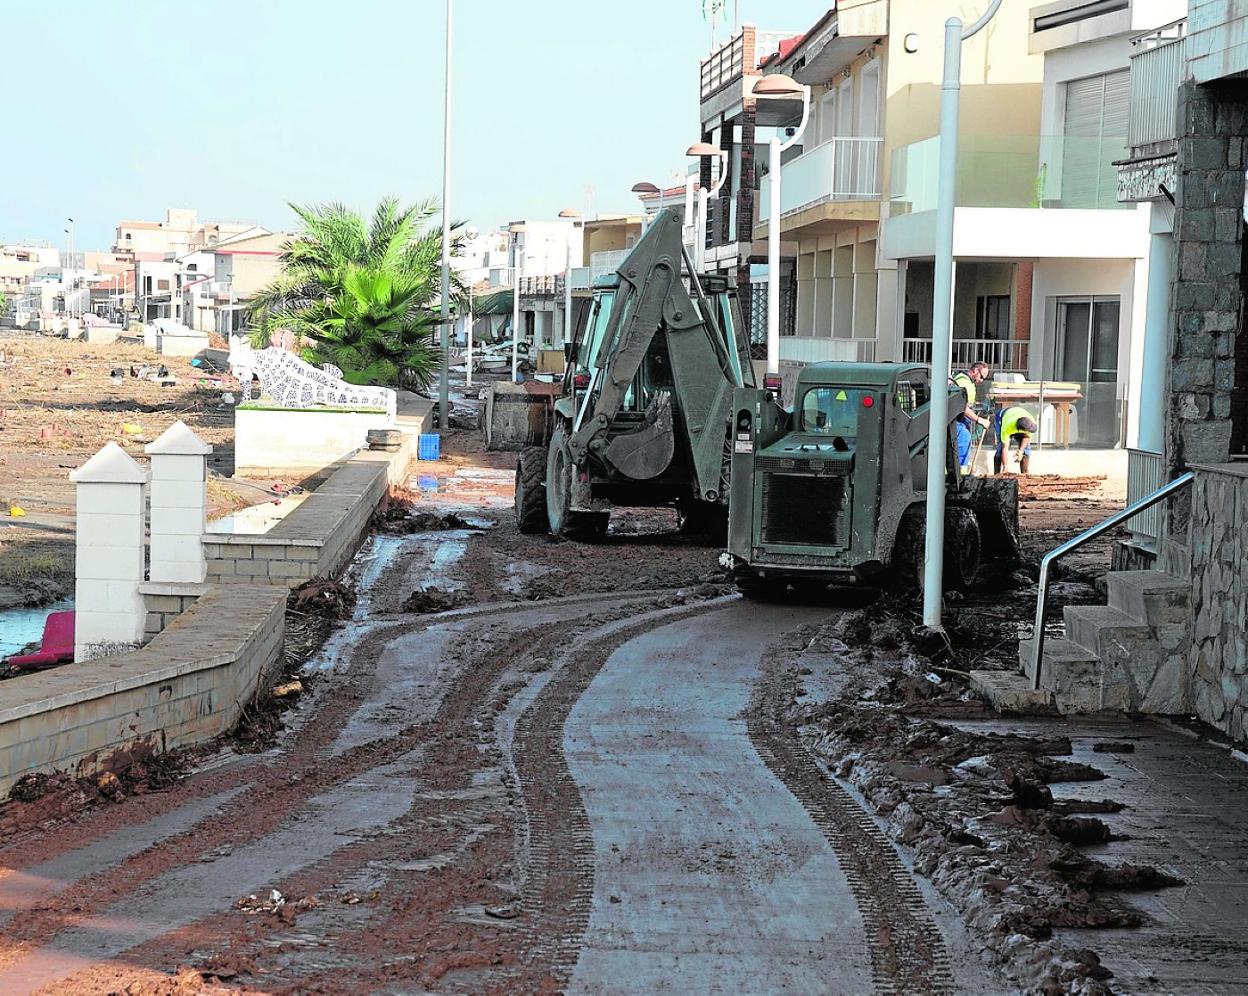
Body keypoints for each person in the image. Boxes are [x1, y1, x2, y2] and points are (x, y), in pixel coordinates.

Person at [951, 362, 991, 474]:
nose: (981, 380)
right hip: (957, 422)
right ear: (975, 370)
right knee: (962, 446)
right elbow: (962, 406)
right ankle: (960, 477)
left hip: (957, 421)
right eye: (981, 376)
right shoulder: (964, 383)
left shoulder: (963, 380)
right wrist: (979, 420)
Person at [994, 405, 1038, 475]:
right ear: (1020, 430)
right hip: (1001, 418)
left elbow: (1027, 437)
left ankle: (1025, 473)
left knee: (1026, 449)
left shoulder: (1031, 423)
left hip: (1017, 416)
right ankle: (997, 474)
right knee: (1000, 448)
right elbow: (1004, 448)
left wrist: (1021, 451)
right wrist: (1005, 466)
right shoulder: (1007, 427)